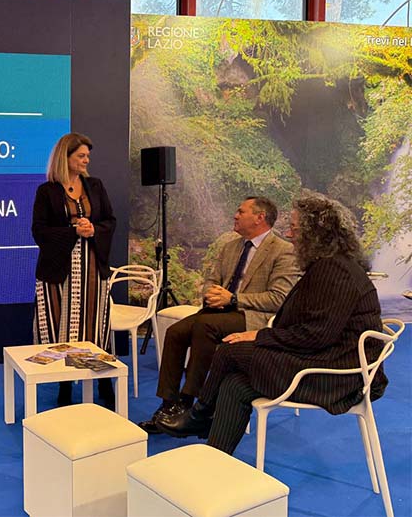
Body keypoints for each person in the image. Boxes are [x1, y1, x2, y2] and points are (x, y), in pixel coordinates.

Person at [156, 193, 388, 455]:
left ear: (315, 234)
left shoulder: (334, 270)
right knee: (235, 384)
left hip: (337, 374)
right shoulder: (329, 265)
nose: (289, 234)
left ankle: (199, 415)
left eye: (295, 229)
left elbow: (315, 335)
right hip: (327, 357)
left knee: (230, 352)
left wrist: (260, 336)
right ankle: (215, 457)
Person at [139, 196, 300, 434]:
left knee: (205, 325)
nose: (235, 215)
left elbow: (279, 299)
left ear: (260, 217)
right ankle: (168, 405)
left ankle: (191, 404)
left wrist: (233, 299)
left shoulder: (283, 251)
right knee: (175, 332)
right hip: (219, 312)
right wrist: (211, 294)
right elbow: (212, 280)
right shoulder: (231, 246)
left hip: (252, 316)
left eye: (241, 211)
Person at [32, 132, 117, 407]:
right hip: (58, 271)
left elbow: (110, 221)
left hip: (93, 269)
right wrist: (72, 232)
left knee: (94, 325)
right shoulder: (47, 191)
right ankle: (65, 385)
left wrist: (94, 229)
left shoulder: (96, 185)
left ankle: (103, 381)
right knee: (61, 327)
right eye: (81, 155)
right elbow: (39, 231)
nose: (86, 160)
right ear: (65, 157)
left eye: (87, 156)